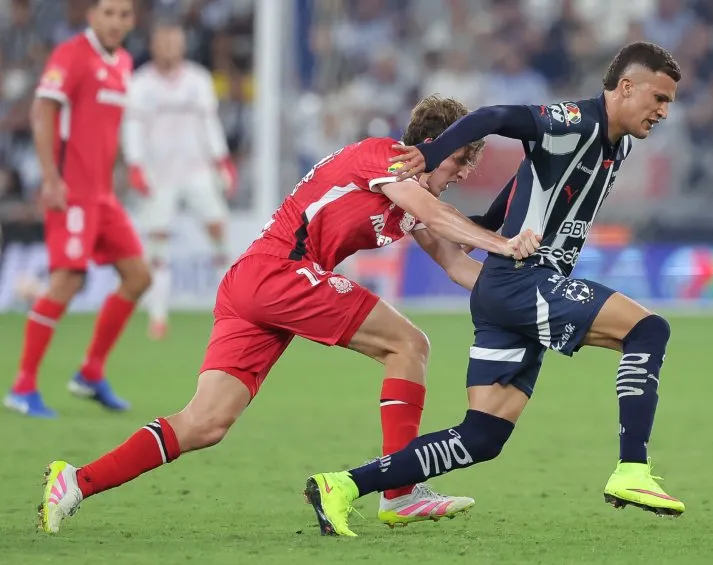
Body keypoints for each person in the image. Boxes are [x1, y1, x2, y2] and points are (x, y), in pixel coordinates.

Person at [37, 96, 542, 534]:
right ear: (429, 145)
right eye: (458, 159)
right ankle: (400, 491)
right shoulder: (385, 155)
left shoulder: (411, 199)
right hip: (279, 272)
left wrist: (533, 296)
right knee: (408, 344)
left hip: (253, 283)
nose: (462, 174)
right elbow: (436, 216)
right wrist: (503, 243)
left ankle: (76, 482)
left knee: (205, 423)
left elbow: (457, 265)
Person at [303, 42, 685, 536]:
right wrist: (430, 154)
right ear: (626, 87)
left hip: (506, 289)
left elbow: (531, 177)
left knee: (482, 435)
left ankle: (342, 485)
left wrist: (483, 224)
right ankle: (632, 468)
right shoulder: (574, 122)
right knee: (648, 331)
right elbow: (494, 116)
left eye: (669, 102)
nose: (663, 111)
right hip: (526, 280)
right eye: (659, 98)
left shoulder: (620, 145)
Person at [4, 0, 148, 419]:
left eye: (124, 14)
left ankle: (90, 372)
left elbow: (106, 129)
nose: (116, 22)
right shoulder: (71, 54)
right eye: (109, 13)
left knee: (138, 276)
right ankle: (22, 386)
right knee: (67, 281)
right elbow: (42, 110)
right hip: (72, 191)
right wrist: (50, 178)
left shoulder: (123, 62)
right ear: (92, 16)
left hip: (103, 195)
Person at [122, 20, 238, 340]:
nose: (170, 48)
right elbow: (133, 129)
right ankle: (158, 316)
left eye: (175, 42)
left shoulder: (198, 80)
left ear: (183, 45)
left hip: (197, 170)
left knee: (218, 232)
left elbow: (210, 125)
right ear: (153, 45)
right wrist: (135, 165)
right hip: (159, 174)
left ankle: (232, 309)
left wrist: (222, 161)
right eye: (164, 42)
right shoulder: (141, 84)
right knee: (157, 242)